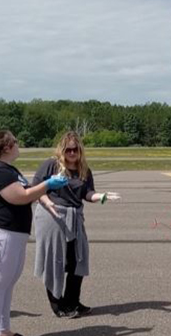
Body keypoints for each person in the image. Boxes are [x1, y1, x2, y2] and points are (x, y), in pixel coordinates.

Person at [0, 130, 68, 336]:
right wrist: (47, 185)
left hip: (12, 235)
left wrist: (45, 191)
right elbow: (20, 197)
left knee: (7, 284)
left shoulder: (7, 169)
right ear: (6, 147)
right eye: (15, 142)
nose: (18, 145)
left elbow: (25, 191)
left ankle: (3, 330)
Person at [33, 131, 120, 318]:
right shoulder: (51, 165)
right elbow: (36, 188)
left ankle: (72, 301)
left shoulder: (84, 170)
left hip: (74, 217)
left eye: (75, 149)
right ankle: (58, 305)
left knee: (77, 261)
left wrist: (102, 197)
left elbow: (88, 194)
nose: (72, 153)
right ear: (62, 150)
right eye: (68, 149)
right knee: (54, 261)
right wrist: (47, 202)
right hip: (52, 216)